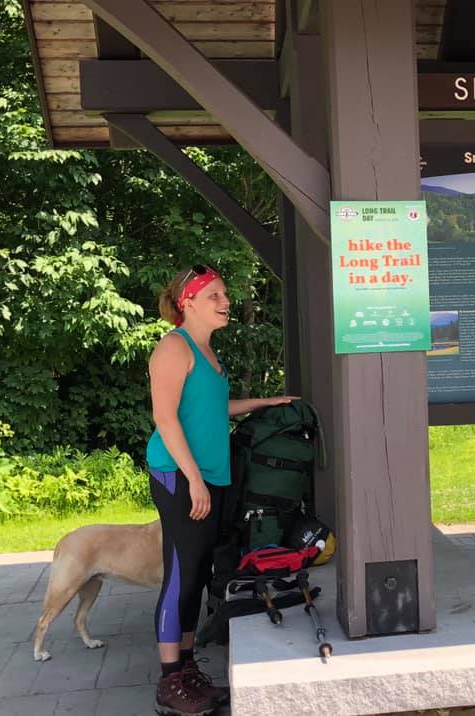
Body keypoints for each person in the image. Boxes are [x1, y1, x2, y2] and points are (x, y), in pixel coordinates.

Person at [146, 264, 296, 715]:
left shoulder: (208, 354)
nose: (224, 301)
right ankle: (170, 683)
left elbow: (214, 407)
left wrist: (263, 403)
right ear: (187, 302)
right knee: (180, 573)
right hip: (178, 475)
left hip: (209, 475)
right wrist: (193, 479)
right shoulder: (174, 347)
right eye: (214, 295)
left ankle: (187, 669)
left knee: (196, 573)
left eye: (224, 294)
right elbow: (166, 419)